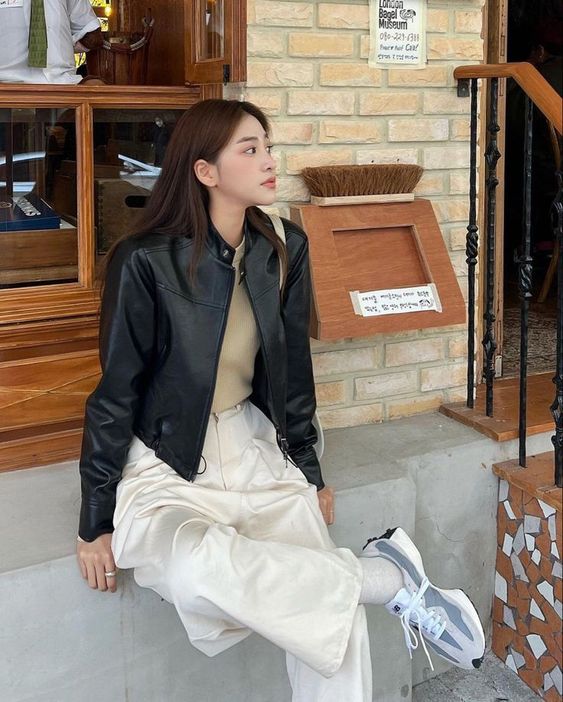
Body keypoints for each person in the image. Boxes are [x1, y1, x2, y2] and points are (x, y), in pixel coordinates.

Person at [76, 99, 485, 701]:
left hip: (255, 447)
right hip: (167, 461)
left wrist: (309, 470)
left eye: (268, 146)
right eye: (250, 149)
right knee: (192, 568)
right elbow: (116, 394)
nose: (270, 161)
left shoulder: (284, 246)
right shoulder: (144, 262)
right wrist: (95, 520)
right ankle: (382, 579)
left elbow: (292, 370)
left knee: (333, 623)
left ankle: (377, 584)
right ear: (204, 171)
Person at [0, 0, 101, 84]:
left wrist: (65, 42)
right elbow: (91, 34)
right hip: (6, 83)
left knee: (97, 86)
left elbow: (92, 35)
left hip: (63, 82)